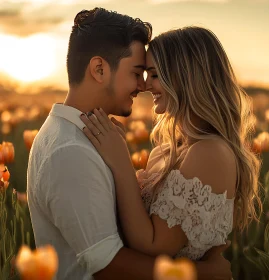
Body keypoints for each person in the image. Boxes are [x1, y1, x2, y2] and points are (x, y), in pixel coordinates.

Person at [27, 7, 232, 280]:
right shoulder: (71, 151)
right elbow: (106, 263)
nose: (143, 86)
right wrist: (204, 274)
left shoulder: (90, 139)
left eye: (152, 74)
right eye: (138, 72)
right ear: (99, 69)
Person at [81, 26, 262, 269]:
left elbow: (154, 246)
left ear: (186, 77)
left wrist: (121, 160)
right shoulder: (164, 152)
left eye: (154, 75)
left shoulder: (210, 153)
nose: (145, 86)